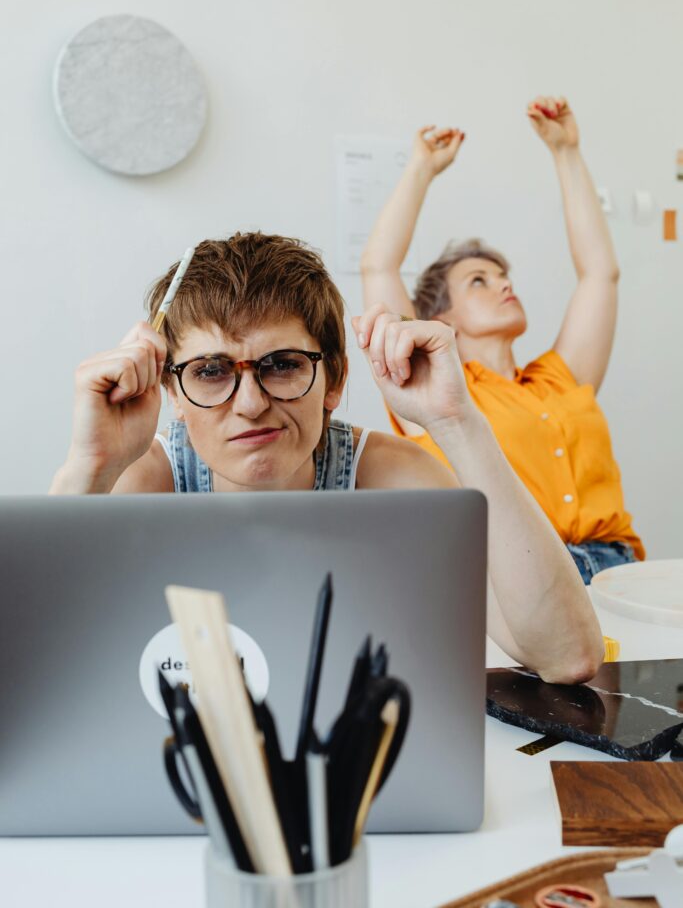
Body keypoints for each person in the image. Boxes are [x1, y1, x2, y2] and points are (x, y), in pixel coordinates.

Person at [51, 231, 603, 683]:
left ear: (334, 379)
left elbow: (566, 656)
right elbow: (31, 672)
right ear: (173, 393)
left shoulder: (391, 478)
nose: (250, 405)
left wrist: (457, 423)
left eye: (283, 364)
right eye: (211, 371)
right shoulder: (142, 483)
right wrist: (91, 466)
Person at [360, 96, 644, 584]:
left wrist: (566, 152)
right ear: (440, 317)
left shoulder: (558, 378)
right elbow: (379, 267)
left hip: (620, 570)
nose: (505, 284)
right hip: (524, 581)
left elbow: (600, 273)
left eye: (503, 275)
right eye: (479, 281)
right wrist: (421, 170)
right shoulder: (434, 388)